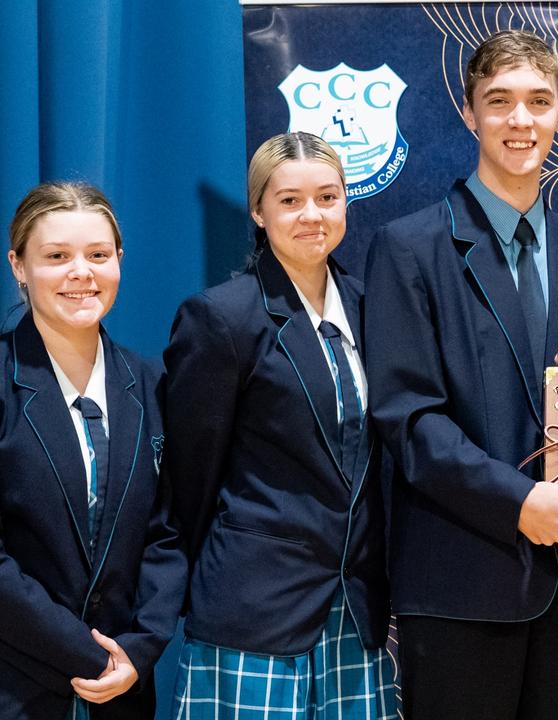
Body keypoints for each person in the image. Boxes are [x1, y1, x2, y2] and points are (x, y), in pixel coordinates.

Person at [364, 29, 558, 719]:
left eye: (539, 101)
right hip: (461, 588)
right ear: (469, 114)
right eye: (498, 101)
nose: (520, 120)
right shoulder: (408, 247)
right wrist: (517, 502)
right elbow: (407, 419)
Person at [165, 132, 395, 719]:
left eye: (327, 196)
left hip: (353, 611)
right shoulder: (222, 318)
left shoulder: (375, 309)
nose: (312, 215)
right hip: (255, 613)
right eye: (289, 200)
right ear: (258, 212)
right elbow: (189, 478)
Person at [0, 182, 185, 719]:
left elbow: (169, 533)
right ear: (18, 265)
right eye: (56, 256)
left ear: (119, 261)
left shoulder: (151, 383)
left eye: (98, 255)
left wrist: (140, 649)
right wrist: (86, 654)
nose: (81, 272)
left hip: (125, 688)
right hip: (17, 683)